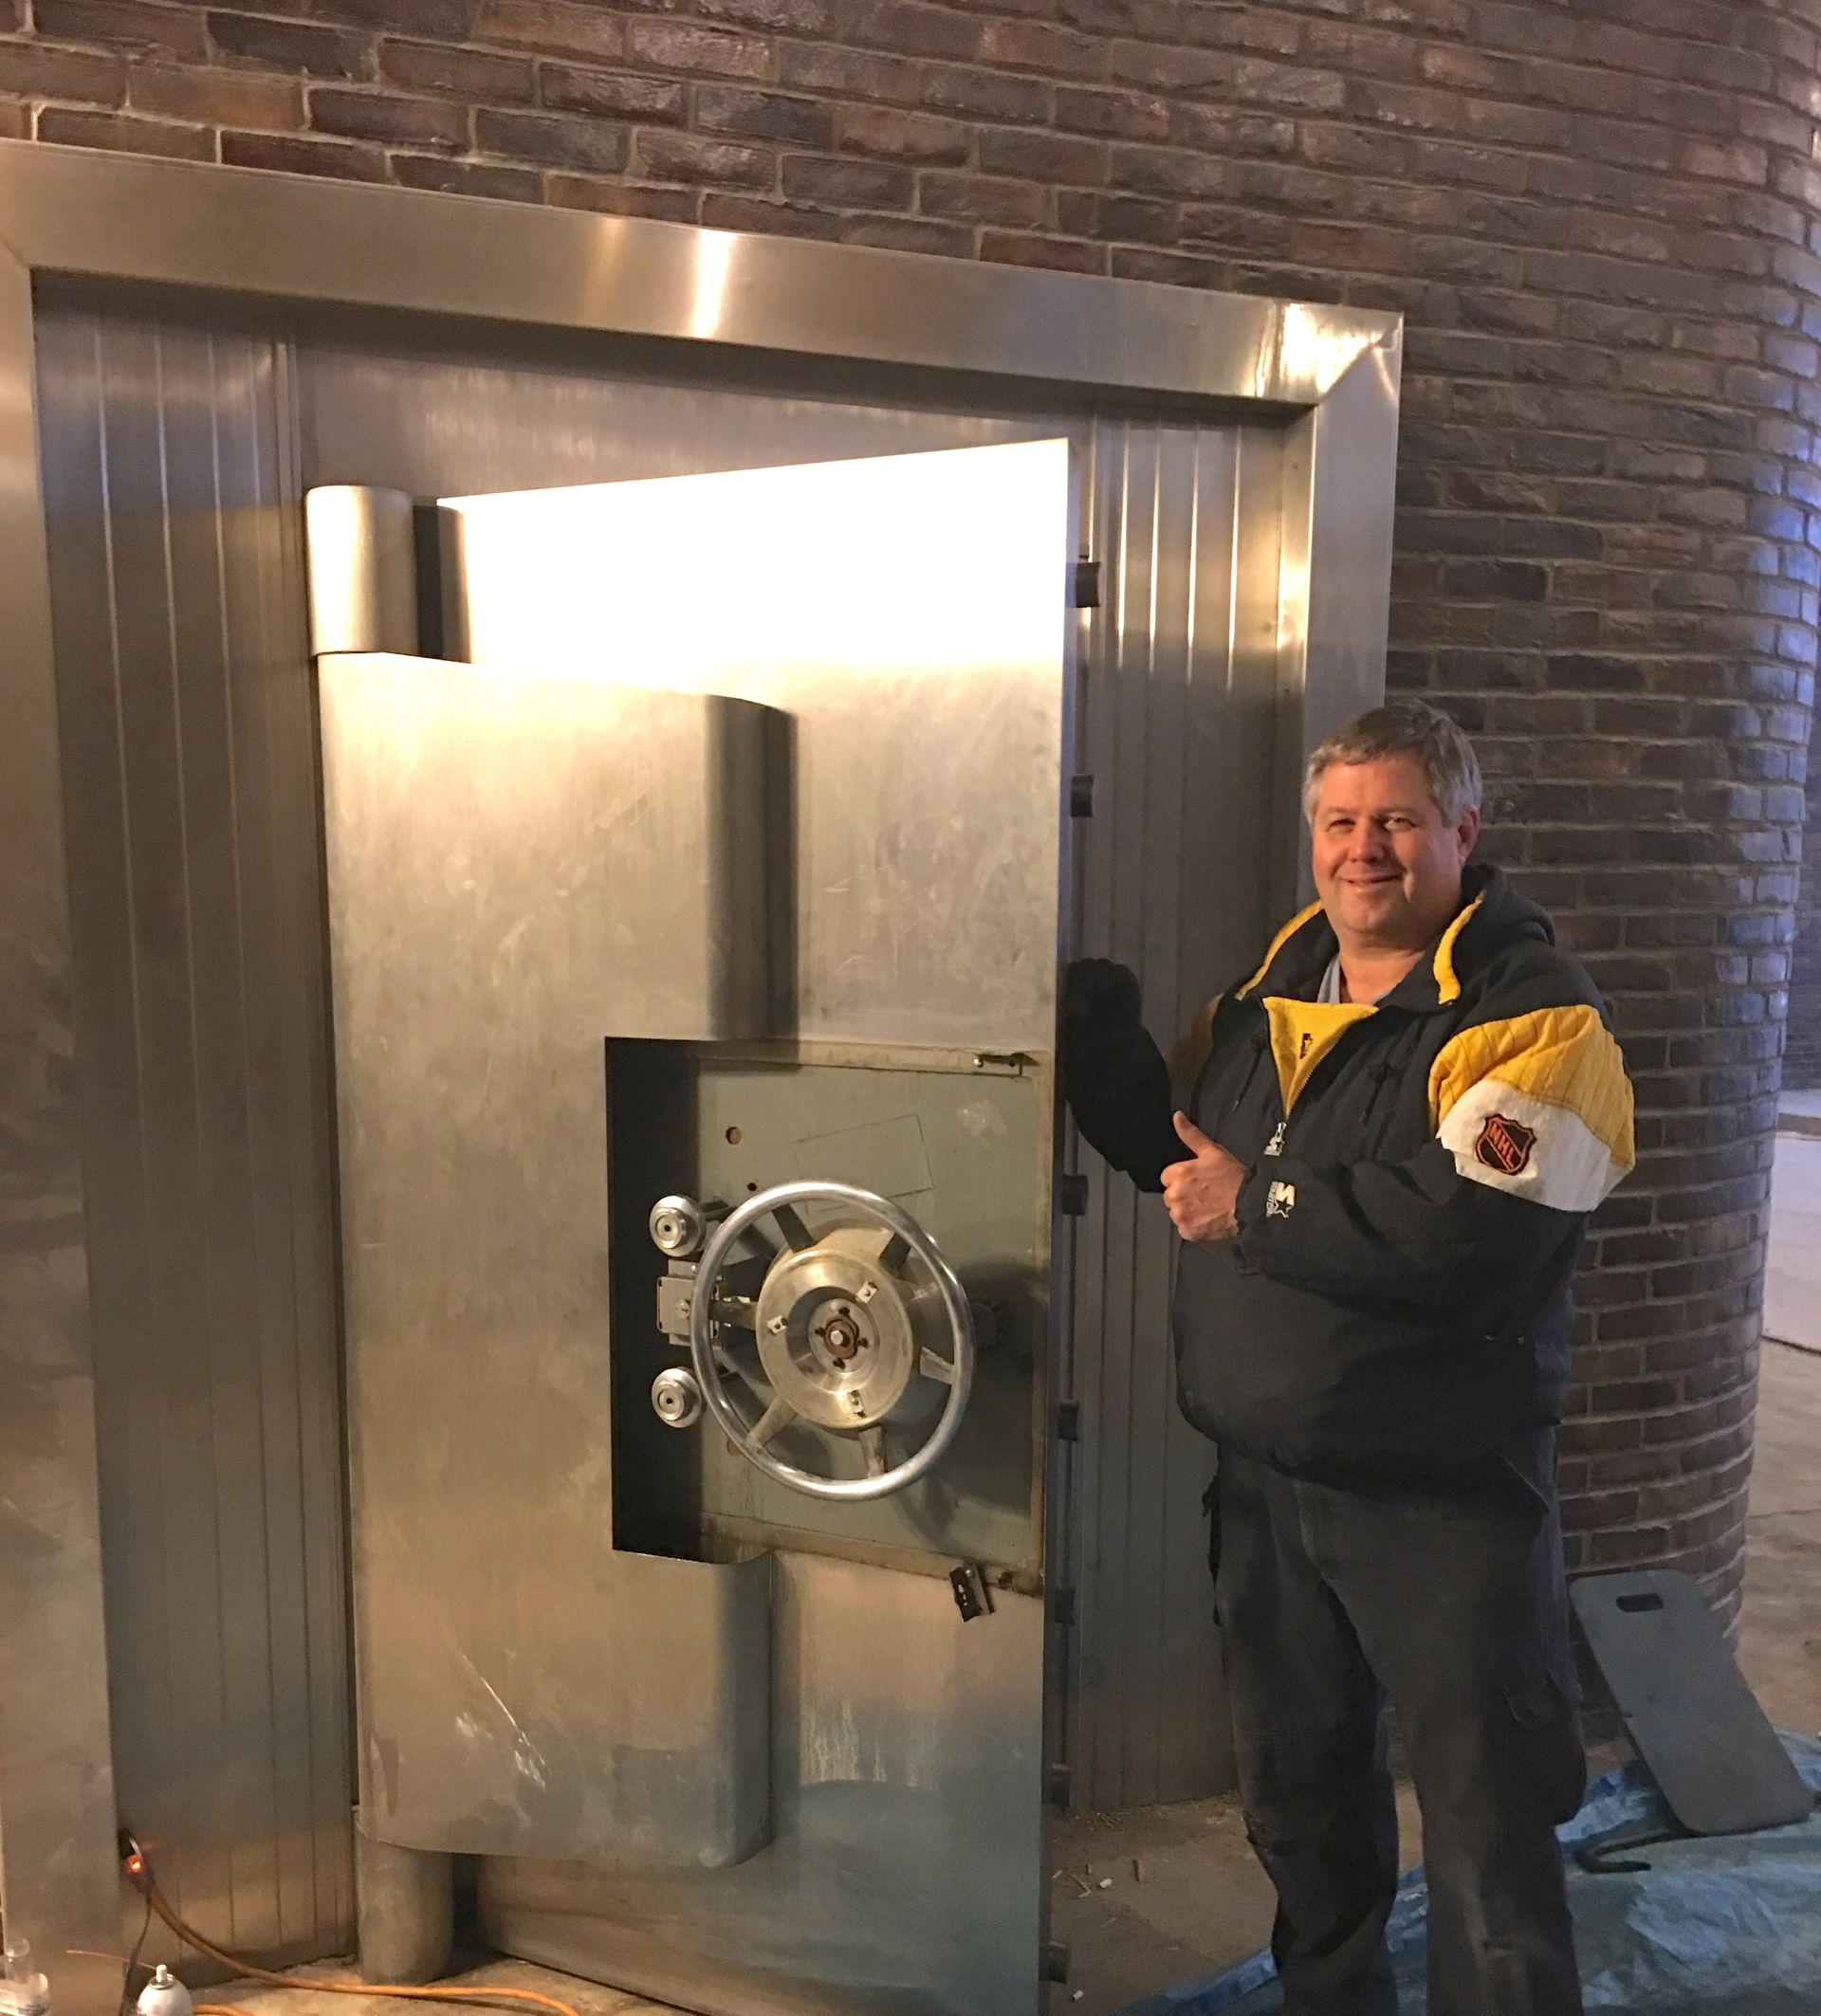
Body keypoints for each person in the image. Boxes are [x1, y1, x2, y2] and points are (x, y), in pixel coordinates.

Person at [1064, 699, 1634, 2016]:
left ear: (1462, 831)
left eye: (1396, 820)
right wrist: (1101, 1052)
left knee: (1491, 1838)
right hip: (1268, 1491)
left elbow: (1473, 1238)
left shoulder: (1538, 1024)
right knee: (1304, 1812)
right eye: (1339, 821)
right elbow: (1184, 1152)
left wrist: (1258, 1202)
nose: (1362, 849)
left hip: (1445, 1502)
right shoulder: (1278, 983)